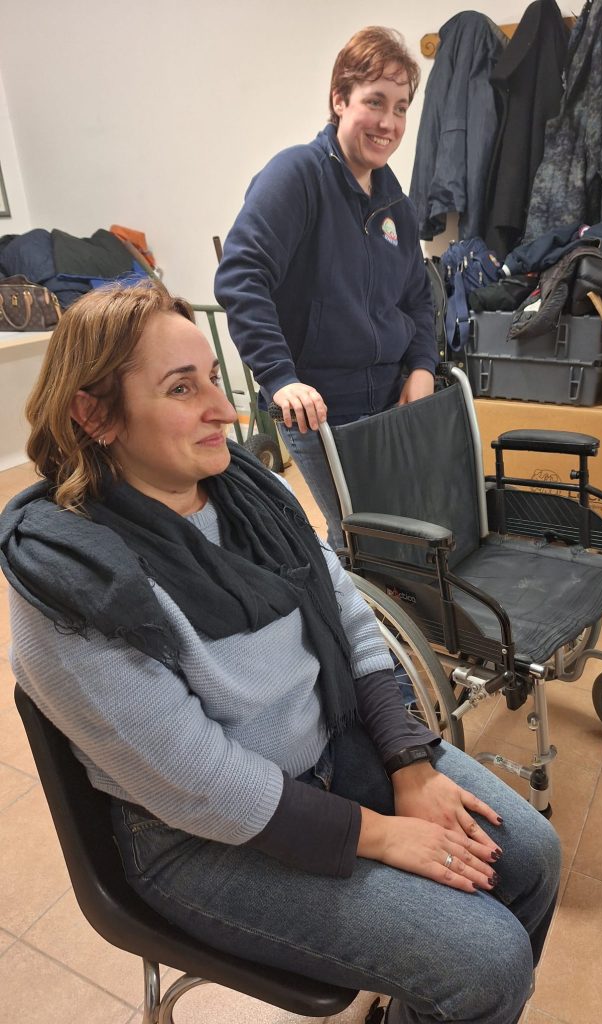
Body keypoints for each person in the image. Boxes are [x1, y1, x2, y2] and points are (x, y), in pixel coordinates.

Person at [0, 283, 560, 1024]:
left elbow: (351, 619)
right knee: (487, 961)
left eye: (213, 377)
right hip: (202, 837)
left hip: (332, 749)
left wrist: (409, 762)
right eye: (181, 388)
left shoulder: (246, 491)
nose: (226, 411)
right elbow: (203, 783)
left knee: (534, 859)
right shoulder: (72, 581)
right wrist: (380, 835)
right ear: (94, 414)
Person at [214, 27, 437, 552]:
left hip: (389, 400)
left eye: (401, 108)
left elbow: (417, 299)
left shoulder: (396, 204)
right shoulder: (296, 175)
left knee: (401, 527)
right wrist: (279, 377)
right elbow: (241, 275)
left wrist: (423, 366)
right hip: (319, 408)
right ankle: (346, 604)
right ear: (340, 99)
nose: (388, 123)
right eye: (374, 102)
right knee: (360, 538)